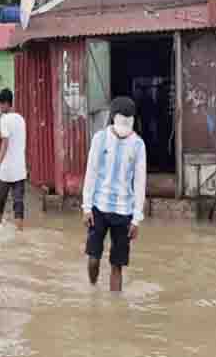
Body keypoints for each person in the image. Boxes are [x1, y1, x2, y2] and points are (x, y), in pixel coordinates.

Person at [81, 96, 146, 292]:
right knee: (93, 259)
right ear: (113, 117)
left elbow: (140, 182)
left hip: (124, 212)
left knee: (117, 266)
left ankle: (115, 309)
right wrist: (86, 207)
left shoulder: (138, 145)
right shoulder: (100, 139)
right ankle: (93, 291)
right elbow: (91, 172)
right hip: (98, 208)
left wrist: (136, 219)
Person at [0, 89, 27, 231]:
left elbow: (5, 145)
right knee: (18, 203)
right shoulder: (21, 119)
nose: (0, 108)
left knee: (0, 201)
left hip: (6, 170)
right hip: (20, 169)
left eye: (0, 105)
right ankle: (20, 232)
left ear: (6, 104)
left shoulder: (4, 119)